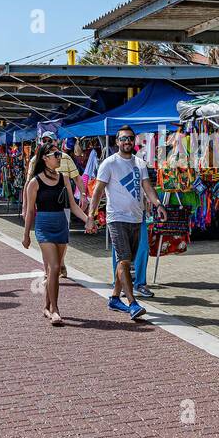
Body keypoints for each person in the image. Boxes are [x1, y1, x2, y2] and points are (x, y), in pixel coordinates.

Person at [86, 125, 166, 321]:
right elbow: (97, 191)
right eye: (123, 139)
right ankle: (132, 303)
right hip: (117, 218)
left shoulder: (139, 163)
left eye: (130, 138)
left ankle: (114, 298)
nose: (127, 142)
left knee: (125, 260)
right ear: (117, 141)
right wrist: (91, 215)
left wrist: (158, 204)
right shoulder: (109, 163)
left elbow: (147, 187)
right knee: (124, 260)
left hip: (137, 219)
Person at [23, 143, 91, 325]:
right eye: (56, 154)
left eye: (60, 154)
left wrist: (87, 219)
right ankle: (55, 310)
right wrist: (26, 234)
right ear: (45, 158)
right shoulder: (34, 182)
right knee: (53, 268)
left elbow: (73, 205)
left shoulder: (63, 178)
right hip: (44, 226)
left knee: (54, 271)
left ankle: (46, 306)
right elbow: (30, 211)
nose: (60, 157)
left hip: (61, 223)